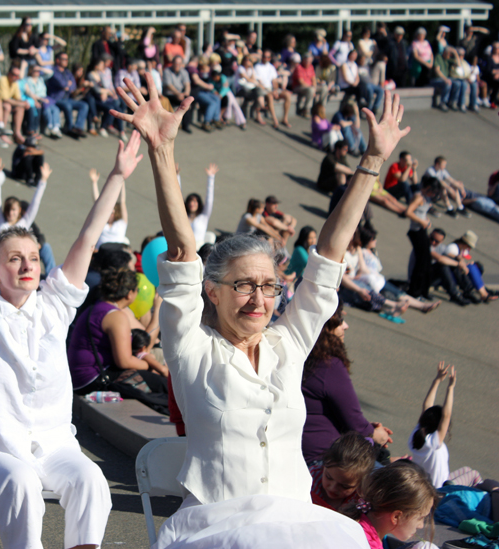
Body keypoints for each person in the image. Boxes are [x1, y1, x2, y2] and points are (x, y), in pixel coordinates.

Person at [112, 69, 408, 548]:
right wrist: (162, 152)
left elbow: (330, 256)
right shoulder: (192, 347)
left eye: (269, 286)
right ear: (214, 291)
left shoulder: (287, 345)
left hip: (297, 520)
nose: (259, 299)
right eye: (244, 285)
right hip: (216, 526)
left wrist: (372, 159)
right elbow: (184, 255)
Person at [0, 120, 136, 549]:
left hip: (55, 446)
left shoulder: (54, 305)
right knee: (20, 482)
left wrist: (117, 177)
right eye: (14, 258)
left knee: (92, 480)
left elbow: (87, 238)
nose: (27, 265)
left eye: (34, 258)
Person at [301, 302, 393, 464]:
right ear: (324, 327)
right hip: (325, 461)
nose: (346, 326)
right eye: (340, 320)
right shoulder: (328, 365)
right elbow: (356, 424)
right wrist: (379, 435)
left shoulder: (302, 354)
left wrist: (370, 428)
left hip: (306, 453)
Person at [68, 267, 168, 394]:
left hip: (80, 379)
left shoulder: (96, 307)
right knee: (164, 386)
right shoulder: (115, 316)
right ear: (129, 294)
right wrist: (149, 366)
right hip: (93, 380)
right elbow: (124, 361)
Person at [410, 363, 482, 489]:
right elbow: (446, 415)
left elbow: (427, 406)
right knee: (474, 475)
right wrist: (450, 388)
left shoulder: (417, 434)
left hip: (431, 485)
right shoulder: (434, 442)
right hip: (440, 490)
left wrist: (437, 380)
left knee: (467, 469)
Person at [344, 461, 439, 549]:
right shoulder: (366, 544)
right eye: (420, 518)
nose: (421, 526)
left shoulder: (355, 526)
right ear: (396, 516)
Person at [309, 431, 376, 512]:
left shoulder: (360, 500)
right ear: (324, 465)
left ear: (360, 484)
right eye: (328, 477)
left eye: (344, 486)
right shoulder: (310, 477)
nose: (333, 488)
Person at [405, 176, 443, 299]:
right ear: (427, 188)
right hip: (416, 231)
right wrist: (421, 222)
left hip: (422, 230)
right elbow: (409, 212)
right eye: (432, 191)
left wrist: (426, 220)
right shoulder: (419, 197)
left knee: (426, 263)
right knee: (421, 263)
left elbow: (421, 212)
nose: (433, 194)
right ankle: (414, 291)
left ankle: (423, 290)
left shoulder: (426, 198)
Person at [441, 230, 498, 304]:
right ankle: (483, 294)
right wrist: (461, 260)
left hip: (458, 272)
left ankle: (483, 290)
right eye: (469, 246)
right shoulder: (452, 247)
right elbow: (450, 256)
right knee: (471, 268)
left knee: (476, 266)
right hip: (451, 273)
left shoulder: (463, 249)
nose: (469, 248)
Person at [46, 52, 89, 138]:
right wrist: (67, 84)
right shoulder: (53, 71)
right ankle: (69, 128)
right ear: (58, 60)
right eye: (64, 59)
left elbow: (73, 85)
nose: (66, 61)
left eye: (67, 59)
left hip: (67, 98)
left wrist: (67, 85)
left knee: (84, 105)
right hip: (56, 99)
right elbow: (62, 84)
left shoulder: (67, 72)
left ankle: (78, 128)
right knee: (67, 105)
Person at [90, 168, 128, 248]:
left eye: (111, 212)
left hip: (117, 254)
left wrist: (122, 180)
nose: (109, 214)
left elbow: (122, 201)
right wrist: (94, 182)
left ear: (115, 213)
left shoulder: (121, 223)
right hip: (102, 254)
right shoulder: (101, 223)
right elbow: (97, 203)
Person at [254, 49, 292, 129]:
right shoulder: (257, 66)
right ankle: (275, 120)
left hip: (270, 88)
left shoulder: (271, 67)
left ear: (269, 58)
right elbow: (259, 81)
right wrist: (271, 91)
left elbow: (274, 80)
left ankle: (285, 118)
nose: (265, 58)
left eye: (267, 57)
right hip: (263, 88)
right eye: (264, 56)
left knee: (287, 95)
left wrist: (275, 90)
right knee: (270, 97)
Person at [185, 164, 217, 249]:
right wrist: (176, 176)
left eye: (195, 201)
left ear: (199, 204)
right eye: (190, 201)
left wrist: (211, 178)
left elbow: (209, 199)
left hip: (199, 250)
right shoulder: (184, 217)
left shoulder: (203, 216)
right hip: (184, 248)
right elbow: (177, 199)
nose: (192, 203)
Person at [163, 56, 193, 134]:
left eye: (179, 63)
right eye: (176, 63)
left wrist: (186, 93)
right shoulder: (167, 71)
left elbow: (187, 84)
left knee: (188, 101)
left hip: (181, 93)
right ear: (172, 63)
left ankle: (186, 125)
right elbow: (169, 85)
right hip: (170, 94)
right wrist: (178, 93)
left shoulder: (184, 72)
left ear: (182, 64)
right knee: (183, 101)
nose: (177, 65)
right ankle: (174, 124)